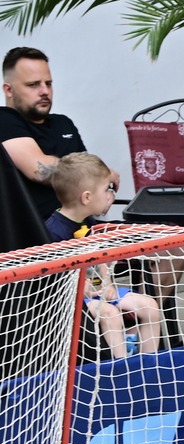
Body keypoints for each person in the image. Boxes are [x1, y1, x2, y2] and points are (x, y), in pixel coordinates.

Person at [47, 154, 163, 355]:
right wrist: (85, 289)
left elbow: (102, 257)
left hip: (97, 293)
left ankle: (148, 367)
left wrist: (107, 283)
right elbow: (54, 282)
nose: (110, 195)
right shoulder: (53, 231)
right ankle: (121, 370)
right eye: (106, 190)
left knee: (149, 306)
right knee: (110, 314)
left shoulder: (91, 223)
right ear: (87, 197)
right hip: (70, 301)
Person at [0, 47, 86, 223]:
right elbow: (39, 170)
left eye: (48, 83)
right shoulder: (4, 120)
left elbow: (89, 180)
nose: (45, 91)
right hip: (36, 239)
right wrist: (99, 175)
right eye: (33, 85)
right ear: (9, 90)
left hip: (82, 229)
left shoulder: (63, 123)